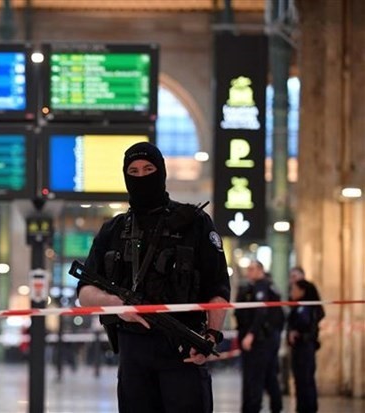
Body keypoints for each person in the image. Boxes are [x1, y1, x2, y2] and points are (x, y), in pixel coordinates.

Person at [77, 142, 231, 413]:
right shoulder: (112, 230)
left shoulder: (195, 223)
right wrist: (116, 305)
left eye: (149, 169)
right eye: (133, 171)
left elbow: (218, 287)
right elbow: (84, 292)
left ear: (161, 172)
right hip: (132, 352)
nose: (141, 176)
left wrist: (211, 335)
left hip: (183, 347)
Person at [235, 260, 285, 413]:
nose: (248, 272)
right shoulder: (266, 286)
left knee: (254, 377)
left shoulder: (261, 287)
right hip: (266, 339)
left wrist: (250, 335)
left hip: (259, 341)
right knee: (269, 376)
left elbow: (260, 313)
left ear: (260, 270)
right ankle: (276, 407)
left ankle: (251, 408)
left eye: (251, 269)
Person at [288, 278, 324, 413]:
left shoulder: (306, 308)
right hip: (300, 347)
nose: (292, 292)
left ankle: (308, 408)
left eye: (294, 289)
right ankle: (302, 407)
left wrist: (296, 333)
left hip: (305, 347)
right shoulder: (299, 306)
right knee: (300, 380)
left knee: (305, 380)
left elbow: (306, 325)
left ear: (302, 291)